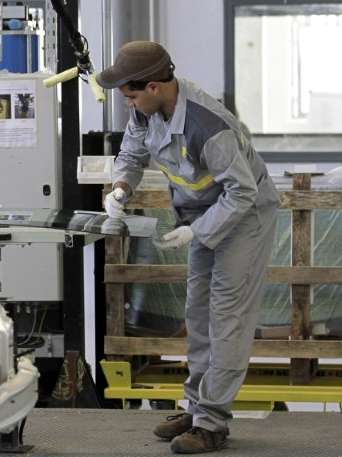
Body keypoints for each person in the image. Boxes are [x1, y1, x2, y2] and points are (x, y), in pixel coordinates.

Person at [97, 41, 280, 454]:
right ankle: (197, 409)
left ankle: (212, 424)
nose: (127, 103)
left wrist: (197, 232)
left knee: (227, 316)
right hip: (201, 218)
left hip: (244, 217)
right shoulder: (143, 109)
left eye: (130, 95)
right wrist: (121, 188)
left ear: (154, 88)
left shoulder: (207, 124)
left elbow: (242, 193)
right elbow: (131, 153)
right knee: (197, 314)